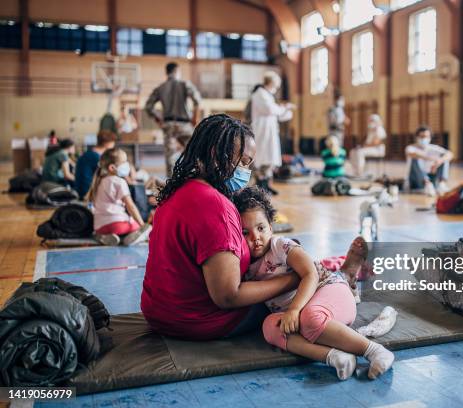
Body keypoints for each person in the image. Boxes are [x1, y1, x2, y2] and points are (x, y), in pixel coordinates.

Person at [141, 113, 297, 341]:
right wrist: (292, 280)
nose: (246, 170)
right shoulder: (216, 207)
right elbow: (228, 296)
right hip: (197, 321)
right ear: (217, 155)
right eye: (243, 161)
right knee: (300, 296)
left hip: (159, 313)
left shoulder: (179, 190)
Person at [232, 186, 394, 380]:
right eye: (245, 233)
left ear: (271, 227)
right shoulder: (245, 266)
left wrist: (293, 310)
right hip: (302, 314)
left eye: (261, 228)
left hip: (330, 290)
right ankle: (335, 357)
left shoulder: (280, 246)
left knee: (310, 317)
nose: (255, 238)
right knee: (269, 326)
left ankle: (374, 351)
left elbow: (311, 274)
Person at [145, 62, 202, 177]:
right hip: (185, 125)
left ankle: (171, 184)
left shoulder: (160, 88)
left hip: (168, 125)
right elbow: (197, 100)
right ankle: (196, 177)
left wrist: (159, 120)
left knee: (170, 157)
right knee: (195, 151)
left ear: (167, 72)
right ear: (177, 71)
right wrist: (195, 118)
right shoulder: (185, 84)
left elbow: (148, 107)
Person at [86, 147, 151, 246]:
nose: (127, 165)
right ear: (112, 168)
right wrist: (142, 225)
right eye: (124, 162)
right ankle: (129, 238)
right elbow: (131, 206)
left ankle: (103, 237)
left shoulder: (98, 181)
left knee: (118, 228)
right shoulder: (119, 182)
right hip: (118, 225)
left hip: (100, 227)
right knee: (147, 228)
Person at [250, 71, 295, 195]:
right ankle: (260, 185)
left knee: (271, 158)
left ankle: (267, 185)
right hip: (262, 131)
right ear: (271, 83)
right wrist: (284, 108)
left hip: (270, 132)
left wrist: (286, 111)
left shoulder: (268, 95)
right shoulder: (260, 94)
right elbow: (270, 109)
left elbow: (277, 114)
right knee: (262, 158)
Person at [404, 125, 453, 196]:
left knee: (444, 157)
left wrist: (439, 161)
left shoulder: (433, 148)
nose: (424, 138)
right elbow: (411, 154)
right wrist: (431, 158)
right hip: (416, 180)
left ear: (430, 138)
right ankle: (427, 184)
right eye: (422, 136)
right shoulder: (411, 148)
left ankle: (441, 184)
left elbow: (450, 154)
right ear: (417, 137)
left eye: (426, 136)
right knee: (415, 159)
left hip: (431, 176)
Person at [74, 130, 117, 199]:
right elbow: (107, 175)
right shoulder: (96, 157)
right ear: (106, 143)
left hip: (81, 190)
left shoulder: (89, 153)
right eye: (112, 142)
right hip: (87, 192)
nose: (114, 144)